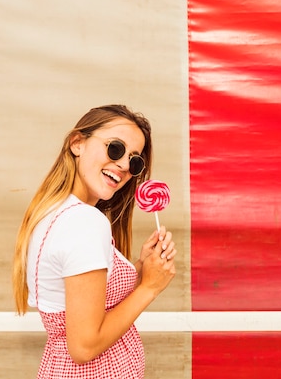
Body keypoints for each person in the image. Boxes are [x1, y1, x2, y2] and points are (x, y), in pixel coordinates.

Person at [12, 104, 177, 378]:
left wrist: (139, 270)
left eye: (135, 161)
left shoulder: (55, 212)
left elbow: (84, 300)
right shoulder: (84, 222)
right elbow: (84, 347)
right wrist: (150, 287)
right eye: (115, 148)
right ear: (78, 143)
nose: (124, 165)